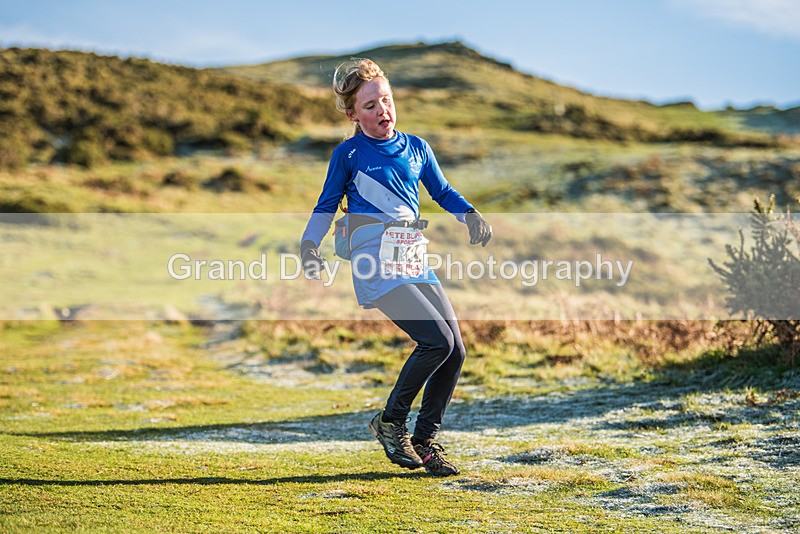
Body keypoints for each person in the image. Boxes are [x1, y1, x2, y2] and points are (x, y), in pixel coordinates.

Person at [300, 58, 492, 477]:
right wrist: (309, 246)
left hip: (413, 258)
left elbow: (441, 190)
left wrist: (470, 213)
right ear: (353, 114)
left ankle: (424, 443)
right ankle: (391, 422)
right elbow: (325, 205)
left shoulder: (417, 147)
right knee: (437, 342)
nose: (382, 110)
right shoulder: (348, 153)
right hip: (374, 262)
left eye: (385, 100)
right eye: (369, 106)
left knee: (454, 350)